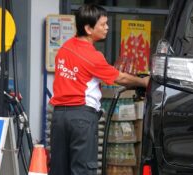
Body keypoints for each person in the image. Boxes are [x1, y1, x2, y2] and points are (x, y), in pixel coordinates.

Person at [49, 4, 149, 175]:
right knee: (83, 169)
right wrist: (144, 82)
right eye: (103, 25)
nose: (107, 28)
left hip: (58, 117)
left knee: (59, 169)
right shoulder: (93, 57)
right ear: (88, 28)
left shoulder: (64, 48)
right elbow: (121, 78)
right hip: (81, 118)